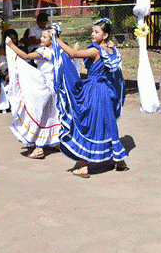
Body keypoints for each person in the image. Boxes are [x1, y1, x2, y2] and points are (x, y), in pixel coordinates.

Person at [51, 18, 128, 177]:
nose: (92, 34)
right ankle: (120, 160)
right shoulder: (112, 50)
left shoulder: (95, 51)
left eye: (96, 32)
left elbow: (73, 54)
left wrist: (56, 39)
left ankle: (84, 167)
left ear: (105, 35)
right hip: (106, 92)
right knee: (108, 125)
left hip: (93, 91)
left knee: (86, 124)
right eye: (93, 31)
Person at [5, 27, 61, 159]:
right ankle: (56, 141)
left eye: (44, 37)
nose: (41, 39)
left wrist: (11, 45)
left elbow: (26, 56)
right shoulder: (59, 51)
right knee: (53, 114)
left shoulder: (44, 51)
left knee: (39, 115)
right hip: (56, 87)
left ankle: (39, 147)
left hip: (44, 86)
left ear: (52, 39)